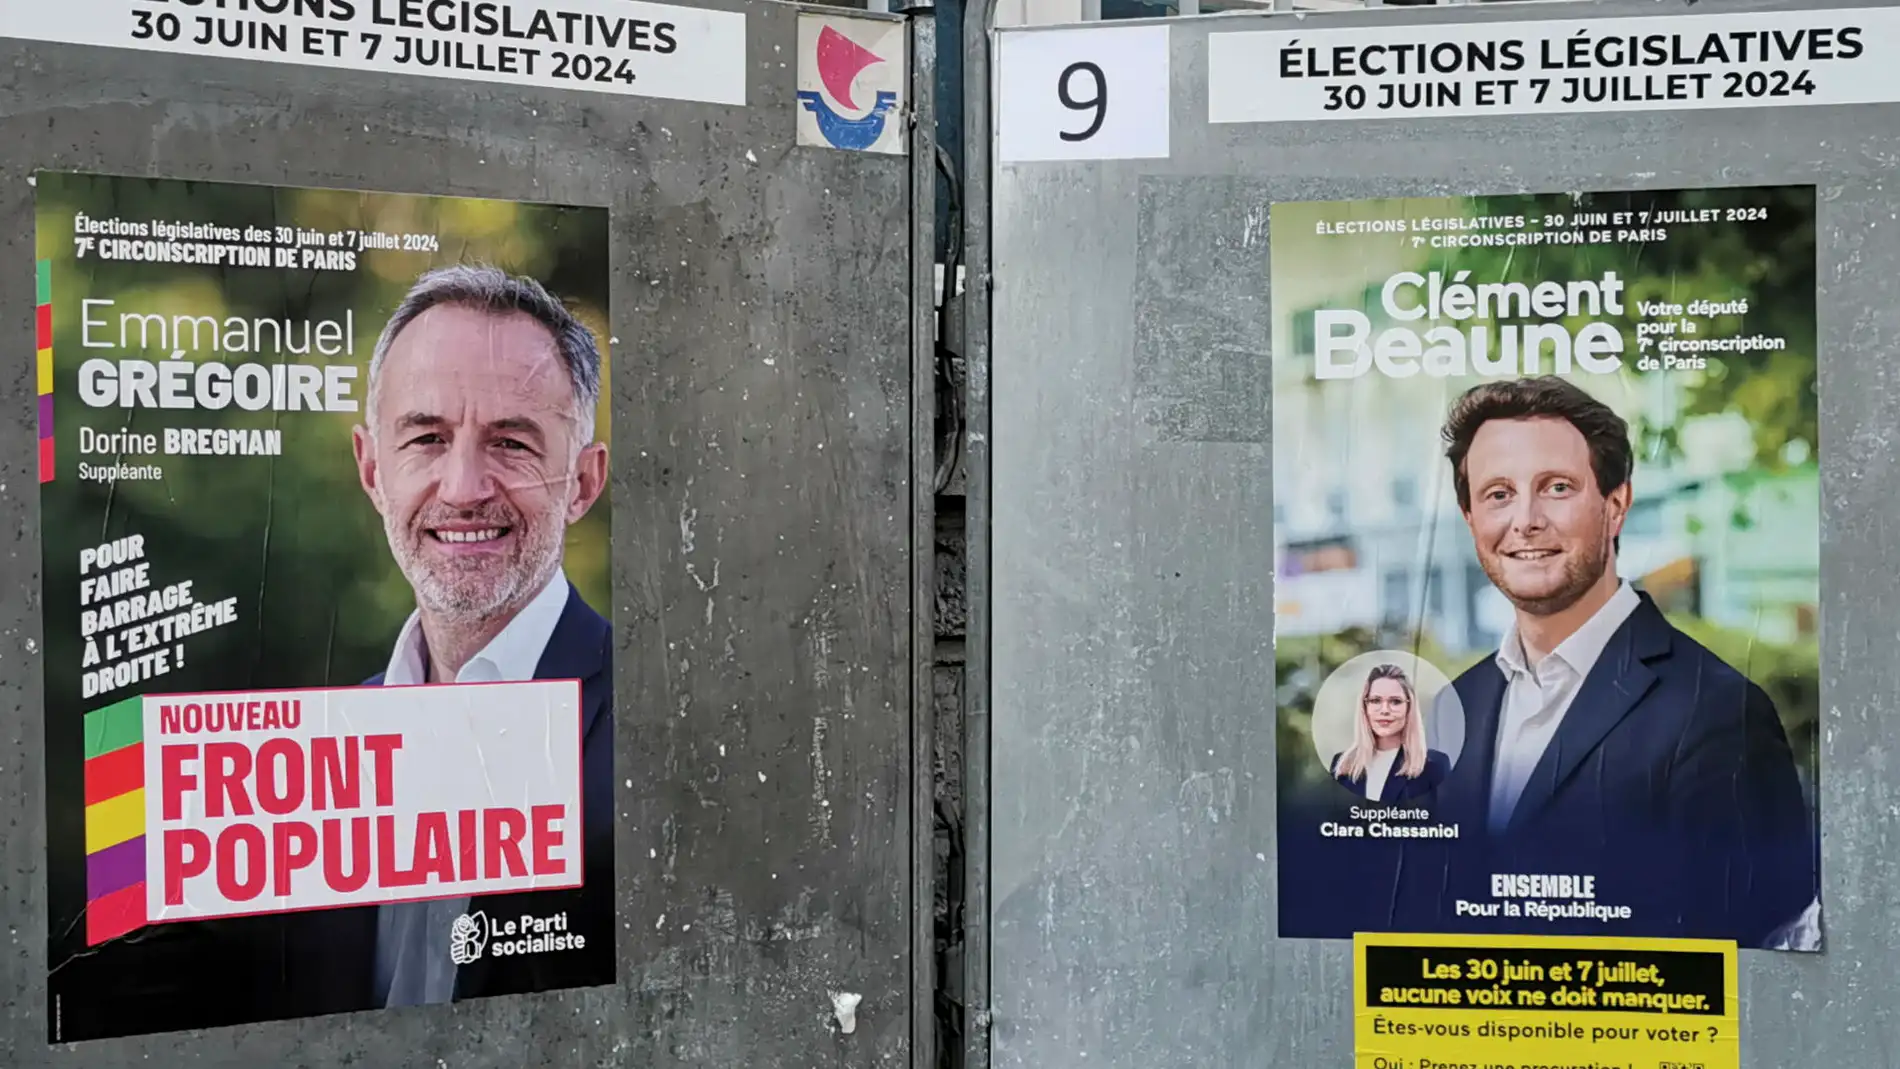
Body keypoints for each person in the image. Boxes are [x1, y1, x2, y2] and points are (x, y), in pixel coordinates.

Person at [276, 264, 615, 1012]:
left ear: (583, 483)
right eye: (427, 437)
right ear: (372, 470)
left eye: (512, 443)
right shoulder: (309, 763)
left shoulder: (659, 731)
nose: (463, 488)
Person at [1427, 375, 1816, 947]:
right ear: (1470, 520)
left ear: (1616, 505)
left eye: (1557, 487)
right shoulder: (1453, 709)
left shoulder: (1718, 713)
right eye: (1498, 494)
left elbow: (1752, 957)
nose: (1525, 519)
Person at [1329, 663, 1449, 802]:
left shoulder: (1434, 765)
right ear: (1365, 707)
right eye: (1375, 700)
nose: (1385, 710)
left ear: (1409, 708)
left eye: (1395, 701)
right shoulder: (1343, 765)